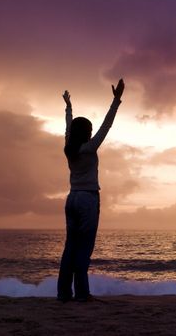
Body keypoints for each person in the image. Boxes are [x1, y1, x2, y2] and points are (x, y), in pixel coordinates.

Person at [57, 79, 125, 302]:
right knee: (84, 247)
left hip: (71, 199)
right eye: (91, 130)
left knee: (70, 247)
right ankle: (83, 294)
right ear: (87, 133)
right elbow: (108, 125)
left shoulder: (70, 148)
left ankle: (64, 293)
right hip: (87, 200)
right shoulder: (88, 148)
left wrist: (68, 107)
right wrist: (116, 100)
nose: (93, 132)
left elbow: (68, 126)